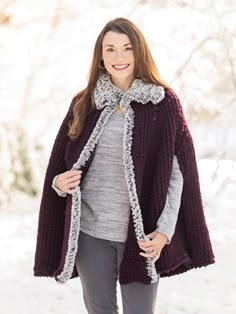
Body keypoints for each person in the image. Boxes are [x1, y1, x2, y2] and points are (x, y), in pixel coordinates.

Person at [33, 17, 215, 314]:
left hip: (140, 238)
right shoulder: (85, 102)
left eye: (127, 48)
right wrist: (59, 183)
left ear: (138, 52)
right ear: (101, 56)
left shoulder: (163, 103)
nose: (119, 57)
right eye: (111, 49)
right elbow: (60, 162)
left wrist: (165, 231)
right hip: (91, 234)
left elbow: (178, 173)